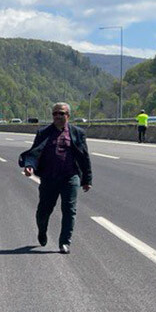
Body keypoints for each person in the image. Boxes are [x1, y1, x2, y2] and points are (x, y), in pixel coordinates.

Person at [19, 102, 93, 254]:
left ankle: (65, 242)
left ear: (68, 116)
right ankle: (42, 231)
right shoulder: (43, 132)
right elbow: (34, 153)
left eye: (61, 113)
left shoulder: (78, 133)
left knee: (69, 210)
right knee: (43, 211)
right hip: (49, 178)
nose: (58, 116)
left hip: (70, 177)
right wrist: (30, 165)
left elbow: (84, 157)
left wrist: (87, 180)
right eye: (55, 114)